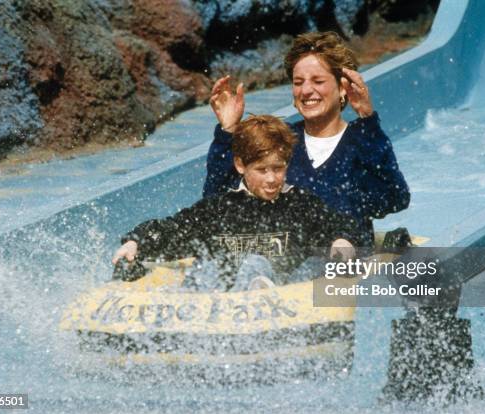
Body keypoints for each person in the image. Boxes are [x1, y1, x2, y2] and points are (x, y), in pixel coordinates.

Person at [113, 115, 364, 291]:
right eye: (262, 170)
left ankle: (257, 290)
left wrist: (342, 239)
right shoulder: (221, 208)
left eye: (278, 168)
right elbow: (172, 228)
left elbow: (341, 224)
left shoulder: (300, 205)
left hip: (282, 302)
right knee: (205, 268)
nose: (272, 179)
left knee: (259, 263)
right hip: (222, 308)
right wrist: (136, 240)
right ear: (241, 165)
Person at [205, 31, 410, 246]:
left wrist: (368, 121)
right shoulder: (278, 140)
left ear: (342, 88)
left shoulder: (362, 141)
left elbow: (395, 199)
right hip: (284, 263)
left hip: (342, 267)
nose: (306, 90)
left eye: (318, 81)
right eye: (298, 82)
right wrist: (227, 131)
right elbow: (217, 201)